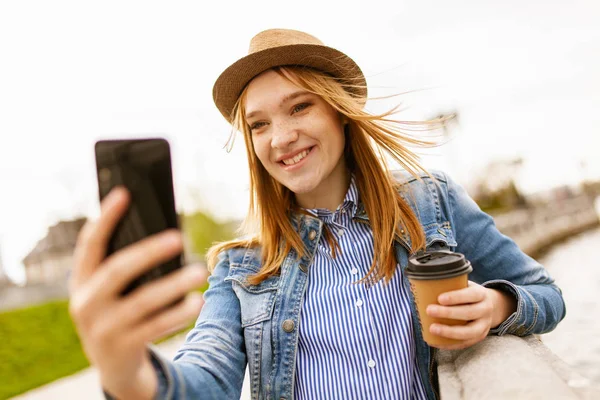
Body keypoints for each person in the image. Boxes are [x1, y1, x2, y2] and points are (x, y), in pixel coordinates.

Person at [68, 29, 566, 400]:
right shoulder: (241, 266)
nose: (279, 137)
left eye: (299, 107)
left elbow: (546, 295)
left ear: (339, 112)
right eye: (258, 125)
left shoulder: (430, 201)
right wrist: (125, 372)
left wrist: (498, 307)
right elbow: (205, 376)